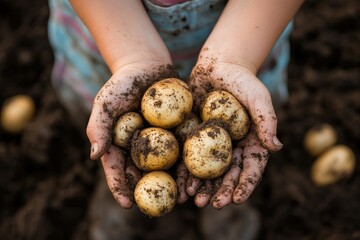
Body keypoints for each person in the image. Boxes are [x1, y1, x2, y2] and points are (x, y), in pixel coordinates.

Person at [48, 0, 304, 239]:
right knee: (106, 125)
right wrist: (132, 56)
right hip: (106, 34)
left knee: (252, 117)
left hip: (252, 35)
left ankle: (228, 202)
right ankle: (114, 175)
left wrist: (237, 58)